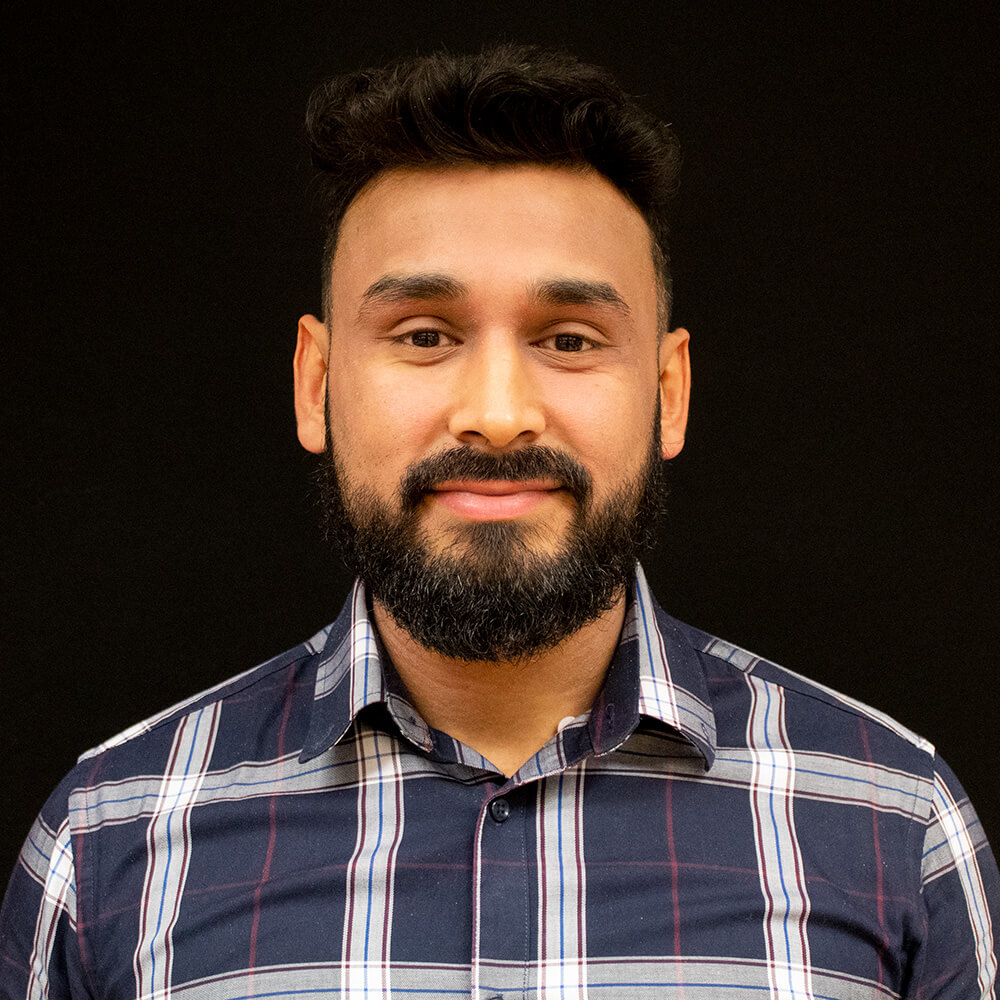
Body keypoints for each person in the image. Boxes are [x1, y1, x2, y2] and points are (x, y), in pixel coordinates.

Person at [1, 43, 996, 1000]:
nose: (496, 408)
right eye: (423, 334)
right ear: (315, 385)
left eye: (568, 338)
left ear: (668, 392)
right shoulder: (107, 840)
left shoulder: (894, 824)